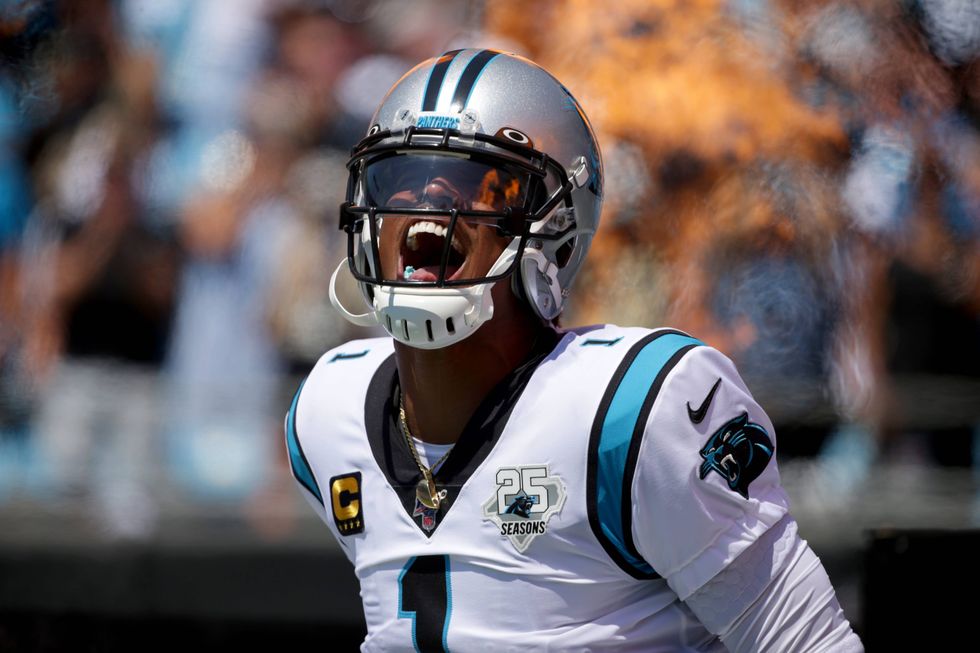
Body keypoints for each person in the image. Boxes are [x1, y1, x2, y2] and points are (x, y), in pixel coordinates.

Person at [286, 49, 863, 652]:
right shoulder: (329, 409)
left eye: (480, 185)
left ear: (557, 230)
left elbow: (805, 642)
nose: (430, 203)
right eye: (398, 180)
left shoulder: (634, 409)